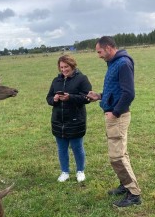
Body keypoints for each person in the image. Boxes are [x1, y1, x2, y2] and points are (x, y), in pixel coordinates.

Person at [87, 36, 141, 207]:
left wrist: (115, 112)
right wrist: (100, 96)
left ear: (109, 48)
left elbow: (129, 93)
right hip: (113, 114)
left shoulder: (123, 63)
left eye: (100, 51)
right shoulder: (114, 63)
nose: (99, 55)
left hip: (117, 117)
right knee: (120, 154)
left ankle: (134, 194)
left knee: (117, 156)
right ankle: (125, 184)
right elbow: (116, 90)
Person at [46, 55, 92, 183]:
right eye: (61, 67)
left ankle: (80, 171)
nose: (64, 70)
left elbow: (87, 98)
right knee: (61, 148)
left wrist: (70, 97)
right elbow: (48, 98)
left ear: (72, 66)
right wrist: (54, 99)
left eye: (66, 67)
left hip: (75, 120)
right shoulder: (56, 81)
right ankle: (64, 172)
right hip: (58, 121)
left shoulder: (82, 79)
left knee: (77, 147)